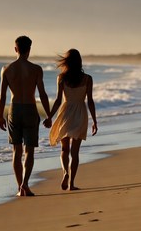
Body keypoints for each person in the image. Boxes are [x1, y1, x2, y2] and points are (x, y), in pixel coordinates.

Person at [0, 36, 51, 197]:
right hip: (30, 109)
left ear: (15, 49)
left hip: (14, 110)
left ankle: (19, 187)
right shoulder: (36, 69)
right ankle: (25, 184)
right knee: (29, 151)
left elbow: (2, 96)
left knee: (16, 150)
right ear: (29, 49)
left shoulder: (6, 69)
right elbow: (42, 94)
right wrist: (49, 115)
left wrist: (1, 116)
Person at [43, 49, 97, 191]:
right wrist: (95, 121)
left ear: (66, 61)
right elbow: (90, 101)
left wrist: (49, 116)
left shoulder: (61, 78)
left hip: (65, 113)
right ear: (79, 61)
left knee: (64, 149)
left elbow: (58, 100)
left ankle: (65, 172)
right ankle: (72, 183)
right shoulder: (87, 79)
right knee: (75, 152)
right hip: (80, 113)